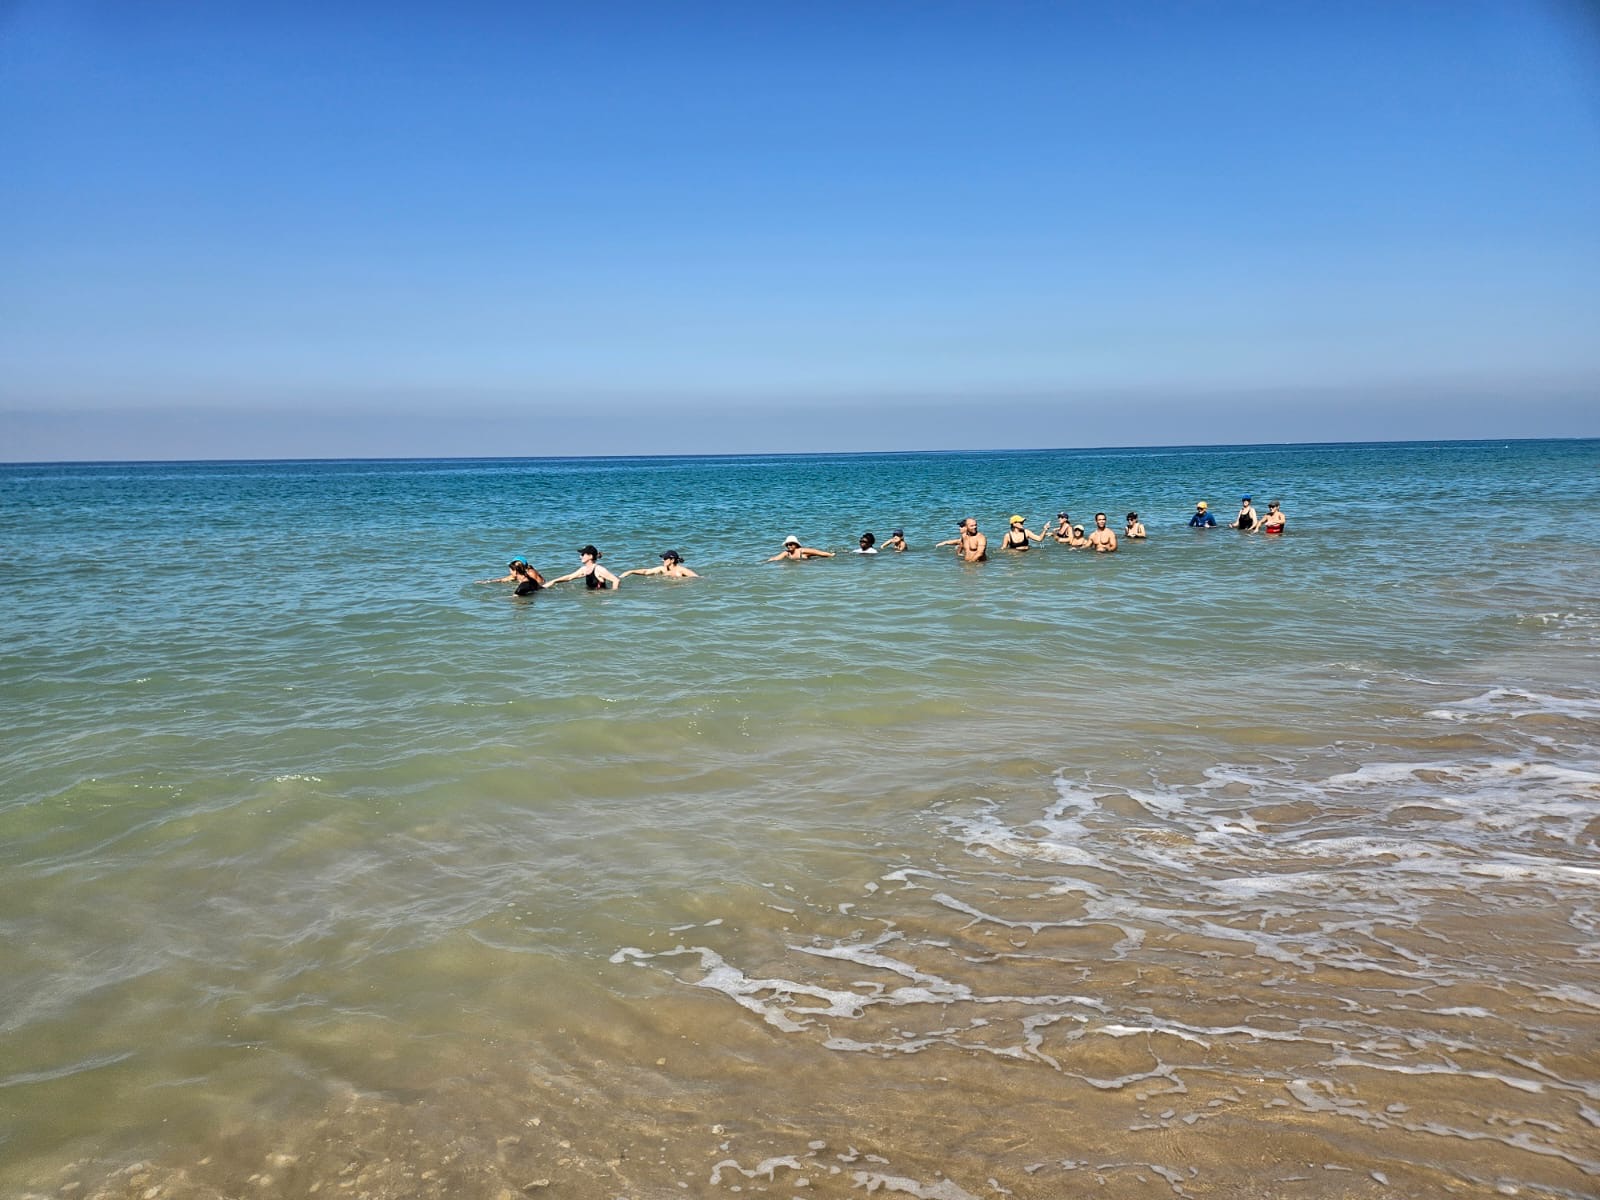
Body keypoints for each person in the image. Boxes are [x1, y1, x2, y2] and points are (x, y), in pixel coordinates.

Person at [548, 544, 621, 590]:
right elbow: (569, 577)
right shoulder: (584, 569)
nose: (580, 556)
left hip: (600, 599)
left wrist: (612, 594)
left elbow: (616, 580)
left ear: (590, 556)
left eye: (583, 554)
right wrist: (553, 581)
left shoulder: (599, 569)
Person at [478, 558, 548, 596]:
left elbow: (538, 585)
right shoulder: (518, 574)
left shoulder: (531, 572)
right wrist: (486, 582)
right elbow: (502, 579)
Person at [619, 550, 700, 580]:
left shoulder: (682, 570)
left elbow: (698, 578)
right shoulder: (662, 569)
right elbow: (646, 571)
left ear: (672, 560)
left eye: (665, 558)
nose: (662, 560)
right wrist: (630, 571)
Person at [769, 535, 834, 561]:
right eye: (787, 545)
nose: (788, 546)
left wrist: (831, 555)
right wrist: (765, 562)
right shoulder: (786, 553)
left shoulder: (803, 551)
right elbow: (776, 558)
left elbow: (819, 553)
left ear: (796, 545)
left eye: (791, 544)